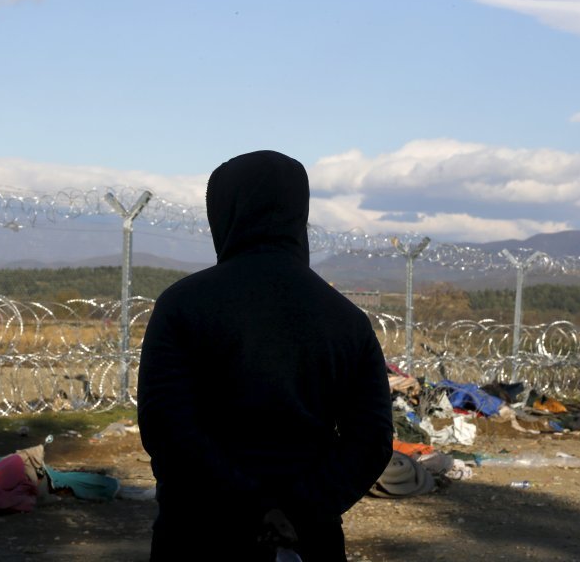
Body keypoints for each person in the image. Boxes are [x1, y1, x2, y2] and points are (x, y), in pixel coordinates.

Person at [137, 150, 394, 562]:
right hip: (308, 537)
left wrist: (254, 508)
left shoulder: (183, 305)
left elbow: (166, 427)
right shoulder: (347, 320)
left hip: (200, 532)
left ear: (224, 210)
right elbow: (372, 440)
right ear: (299, 212)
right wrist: (297, 510)